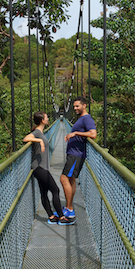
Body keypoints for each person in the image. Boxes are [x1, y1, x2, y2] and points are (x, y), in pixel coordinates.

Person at [59, 96, 97, 225]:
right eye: (74, 106)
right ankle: (68, 208)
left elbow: (93, 134)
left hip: (76, 155)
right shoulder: (81, 119)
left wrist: (75, 134)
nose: (75, 108)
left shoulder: (87, 119)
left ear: (84, 105)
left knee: (63, 179)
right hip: (73, 154)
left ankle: (69, 210)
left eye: (77, 106)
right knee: (71, 180)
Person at [23, 111, 64, 225]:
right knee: (55, 190)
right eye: (46, 117)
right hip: (39, 168)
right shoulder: (37, 132)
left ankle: (51, 216)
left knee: (44, 192)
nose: (48, 119)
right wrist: (40, 140)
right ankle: (61, 217)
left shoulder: (41, 131)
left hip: (41, 167)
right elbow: (26, 138)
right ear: (42, 120)